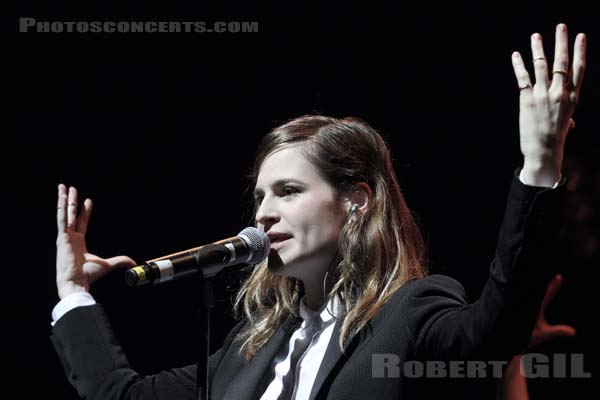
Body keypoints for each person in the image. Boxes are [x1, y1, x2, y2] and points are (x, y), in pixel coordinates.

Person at [50, 23, 586, 399]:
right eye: (259, 197)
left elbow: (495, 331)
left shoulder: (410, 314)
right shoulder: (251, 348)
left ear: (356, 200)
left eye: (287, 191)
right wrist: (73, 293)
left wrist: (540, 165)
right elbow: (122, 394)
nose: (262, 213)